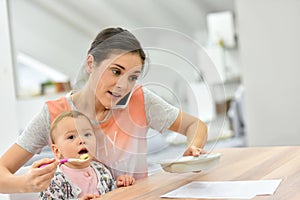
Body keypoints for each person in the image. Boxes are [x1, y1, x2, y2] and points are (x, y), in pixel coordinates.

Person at [0, 27, 207, 194]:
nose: (122, 85)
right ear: (91, 64)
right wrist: (25, 184)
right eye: (115, 71)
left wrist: (193, 150)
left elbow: (194, 125)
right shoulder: (55, 113)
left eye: (132, 77)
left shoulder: (140, 99)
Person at [40, 110, 134, 200]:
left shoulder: (101, 170)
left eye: (87, 134)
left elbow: (110, 192)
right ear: (57, 151)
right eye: (71, 137)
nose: (82, 140)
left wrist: (118, 185)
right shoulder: (54, 180)